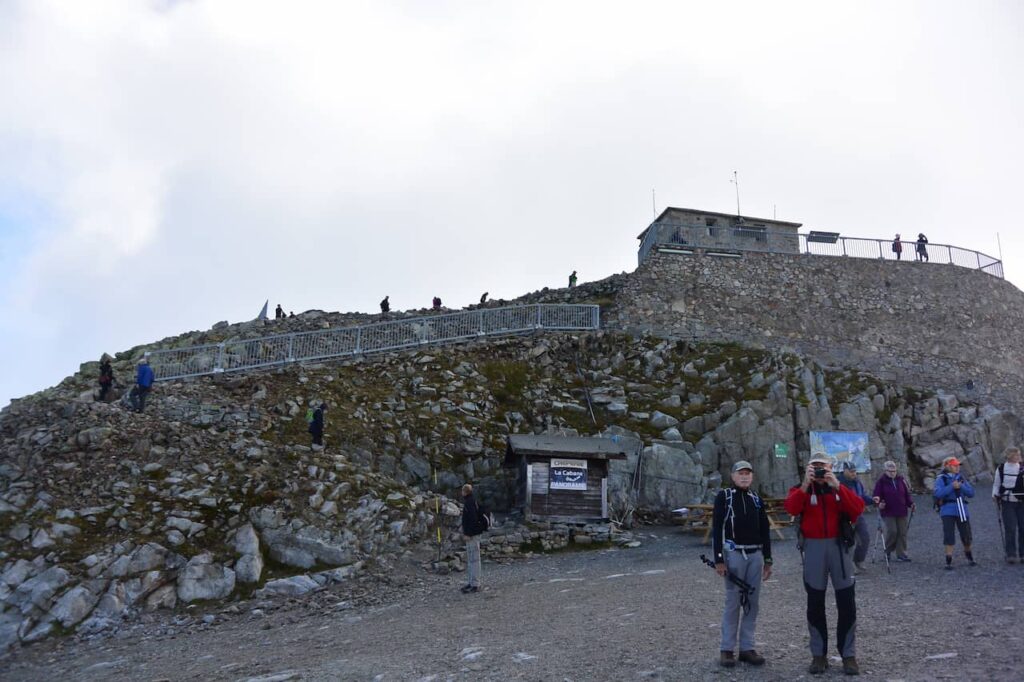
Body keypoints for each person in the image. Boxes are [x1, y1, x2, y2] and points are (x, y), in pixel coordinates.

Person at [784, 454, 865, 676]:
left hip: (840, 548)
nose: (819, 471)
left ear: (831, 468)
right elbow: (790, 509)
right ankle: (818, 655)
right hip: (813, 548)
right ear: (808, 468)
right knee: (815, 603)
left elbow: (858, 509)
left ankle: (848, 655)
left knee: (847, 603)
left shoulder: (839, 488)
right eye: (815, 466)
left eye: (823, 467)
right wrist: (804, 485)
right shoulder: (800, 489)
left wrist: (837, 485)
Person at [712, 461, 771, 668]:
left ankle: (747, 648)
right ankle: (726, 649)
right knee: (733, 602)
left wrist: (768, 559)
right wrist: (719, 559)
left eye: (748, 473)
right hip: (734, 554)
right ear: (733, 476)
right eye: (741, 473)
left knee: (752, 603)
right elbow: (717, 527)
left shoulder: (756, 499)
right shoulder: (724, 497)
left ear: (752, 477)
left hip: (755, 554)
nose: (744, 477)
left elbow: (765, 529)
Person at [934, 456, 976, 569]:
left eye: (958, 465)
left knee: (966, 534)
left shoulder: (961, 478)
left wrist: (960, 486)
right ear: (948, 466)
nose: (957, 467)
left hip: (962, 508)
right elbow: (938, 494)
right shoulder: (941, 479)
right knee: (949, 535)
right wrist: (951, 486)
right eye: (955, 465)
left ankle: (969, 556)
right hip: (947, 509)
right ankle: (948, 559)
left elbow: (971, 493)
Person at [871, 460, 915, 562]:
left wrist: (911, 503)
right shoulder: (881, 482)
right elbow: (876, 495)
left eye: (894, 471)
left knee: (902, 532)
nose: (892, 473)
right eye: (890, 471)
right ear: (885, 471)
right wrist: (878, 504)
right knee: (892, 531)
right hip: (888, 511)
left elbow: (906, 494)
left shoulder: (901, 480)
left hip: (901, 510)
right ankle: (888, 551)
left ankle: (901, 554)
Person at [838, 461, 874, 573]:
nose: (854, 473)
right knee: (848, 541)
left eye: (855, 471)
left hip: (858, 515)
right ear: (844, 470)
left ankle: (858, 560)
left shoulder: (857, 482)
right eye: (851, 471)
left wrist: (872, 501)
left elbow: (862, 496)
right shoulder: (838, 484)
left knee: (865, 538)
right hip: (845, 517)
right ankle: (848, 565)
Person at [992, 447, 1024, 564]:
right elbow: (996, 484)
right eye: (1017, 455)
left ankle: (1022, 554)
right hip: (1007, 501)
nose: (1019, 457)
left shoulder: (1022, 467)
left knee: (1023, 528)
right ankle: (1011, 554)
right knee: (1010, 528)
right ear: (1010, 456)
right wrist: (994, 495)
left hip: (1022, 501)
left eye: (1019, 455)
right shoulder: (1001, 468)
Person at [460, 483, 485, 593]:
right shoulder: (472, 501)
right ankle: (471, 582)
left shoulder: (469, 503)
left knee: (474, 559)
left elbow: (473, 520)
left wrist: (468, 534)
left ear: (465, 492)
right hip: (472, 534)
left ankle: (475, 584)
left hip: (473, 535)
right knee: (471, 559)